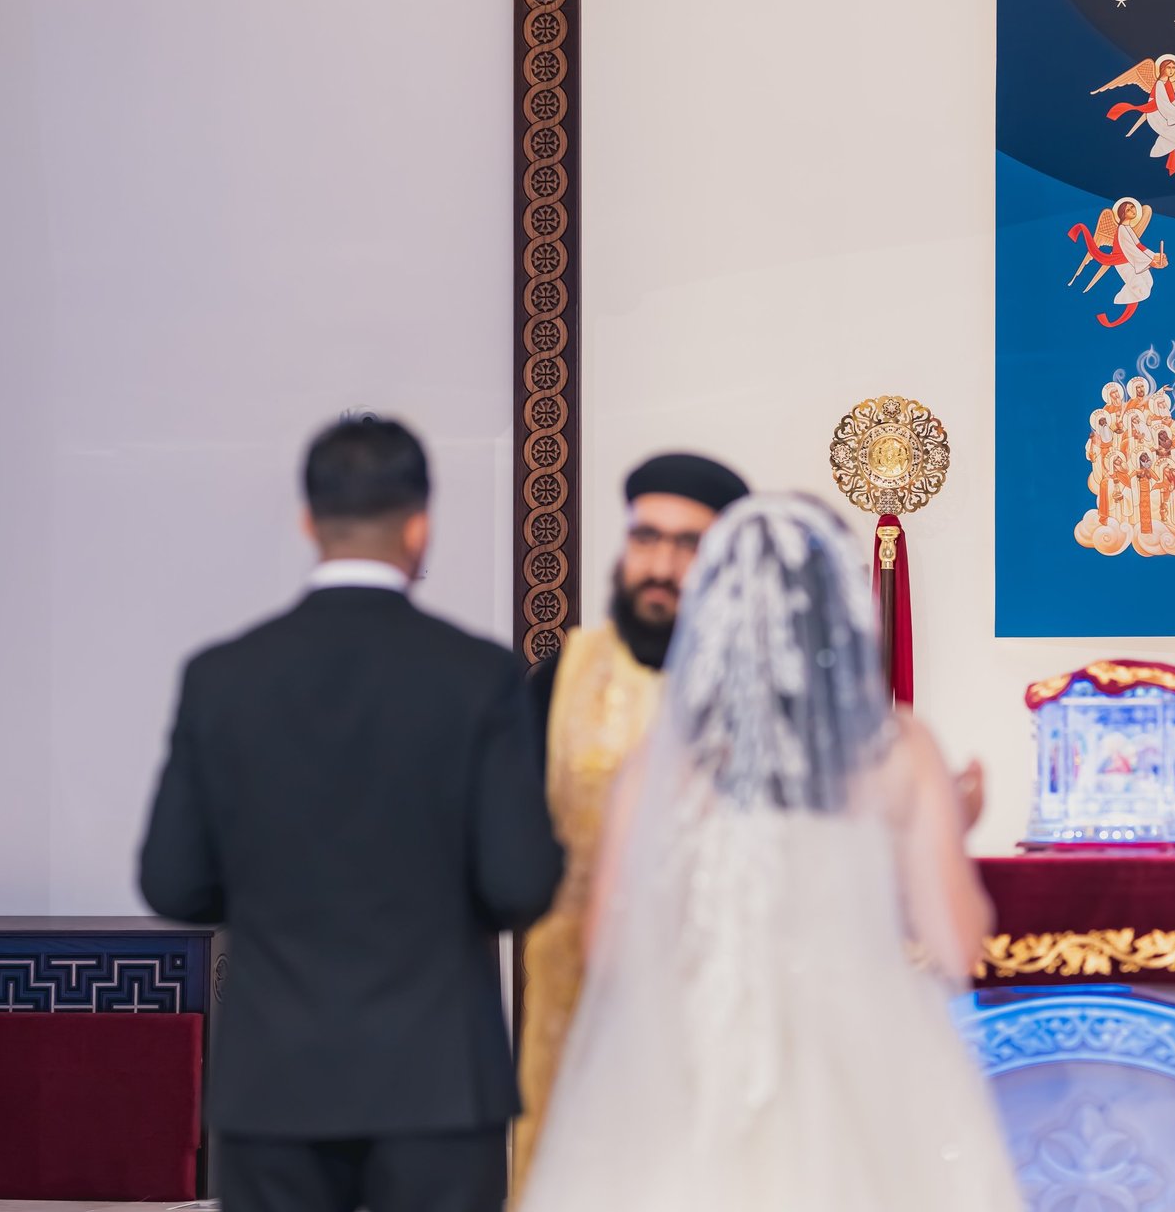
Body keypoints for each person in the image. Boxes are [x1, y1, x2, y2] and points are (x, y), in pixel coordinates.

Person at [518, 495, 1018, 1211]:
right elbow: (959, 943)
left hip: (701, 1058)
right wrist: (946, 835)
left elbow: (610, 946)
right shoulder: (898, 751)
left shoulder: (667, 761)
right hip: (865, 1065)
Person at [139, 415, 563, 1212]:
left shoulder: (222, 678)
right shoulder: (480, 676)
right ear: (419, 526)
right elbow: (519, 883)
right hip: (439, 1081)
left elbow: (172, 882)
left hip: (274, 1082)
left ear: (308, 522)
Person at [509, 452, 750, 1192]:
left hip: (724, 1000)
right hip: (576, 996)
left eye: (688, 545)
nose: (661, 565)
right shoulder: (563, 673)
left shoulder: (762, 680)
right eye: (646, 537)